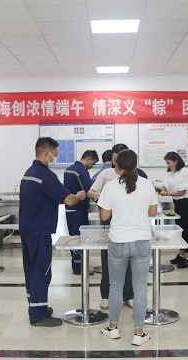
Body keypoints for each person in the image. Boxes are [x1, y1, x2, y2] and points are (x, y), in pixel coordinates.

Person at [19, 137, 86, 327]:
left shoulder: (29, 173)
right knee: (41, 271)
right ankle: (38, 315)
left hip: (28, 229)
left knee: (32, 270)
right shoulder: (45, 175)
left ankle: (36, 306)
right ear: (46, 152)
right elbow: (69, 200)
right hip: (40, 231)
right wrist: (80, 195)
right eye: (54, 154)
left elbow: (45, 197)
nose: (55, 158)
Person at [98, 149, 158, 346]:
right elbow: (153, 212)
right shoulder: (147, 184)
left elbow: (104, 217)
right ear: (136, 164)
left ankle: (113, 328)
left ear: (117, 165)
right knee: (140, 288)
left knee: (115, 287)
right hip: (141, 241)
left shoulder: (110, 186)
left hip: (118, 241)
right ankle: (139, 333)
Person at [88, 143, 145, 310]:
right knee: (108, 259)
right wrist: (100, 195)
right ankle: (106, 295)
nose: (115, 163)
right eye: (113, 159)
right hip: (109, 221)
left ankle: (129, 295)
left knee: (130, 261)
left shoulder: (140, 175)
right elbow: (90, 191)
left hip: (131, 222)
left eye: (117, 159)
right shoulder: (106, 174)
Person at [64, 150, 98, 275]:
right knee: (80, 238)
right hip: (79, 209)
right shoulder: (81, 171)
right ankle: (80, 268)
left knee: (73, 237)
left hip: (69, 208)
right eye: (93, 163)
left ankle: (75, 264)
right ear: (88, 159)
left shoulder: (69, 169)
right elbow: (88, 190)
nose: (92, 166)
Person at [159, 152, 188, 269]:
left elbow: (182, 192)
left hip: (186, 203)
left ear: (176, 161)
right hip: (177, 203)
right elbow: (166, 185)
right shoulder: (172, 173)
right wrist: (160, 188)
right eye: (167, 163)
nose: (168, 165)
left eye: (169, 163)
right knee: (180, 230)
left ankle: (187, 258)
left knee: (186, 230)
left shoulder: (185, 172)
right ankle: (181, 254)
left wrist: (166, 193)